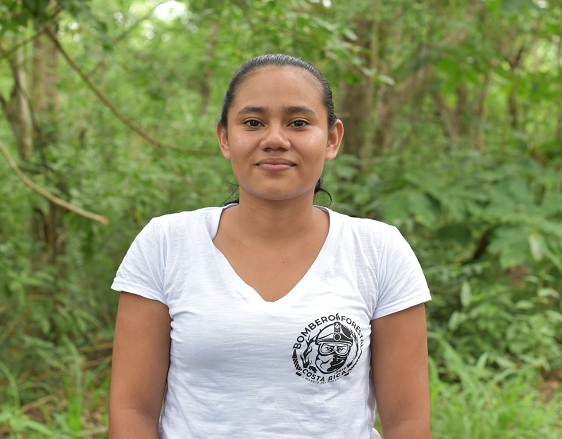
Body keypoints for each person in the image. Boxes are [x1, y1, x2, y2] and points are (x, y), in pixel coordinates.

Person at [109, 54, 431, 438]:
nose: (275, 140)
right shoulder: (166, 244)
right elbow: (132, 410)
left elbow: (407, 422)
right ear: (225, 138)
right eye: (253, 122)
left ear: (331, 139)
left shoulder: (379, 252)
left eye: (298, 122)